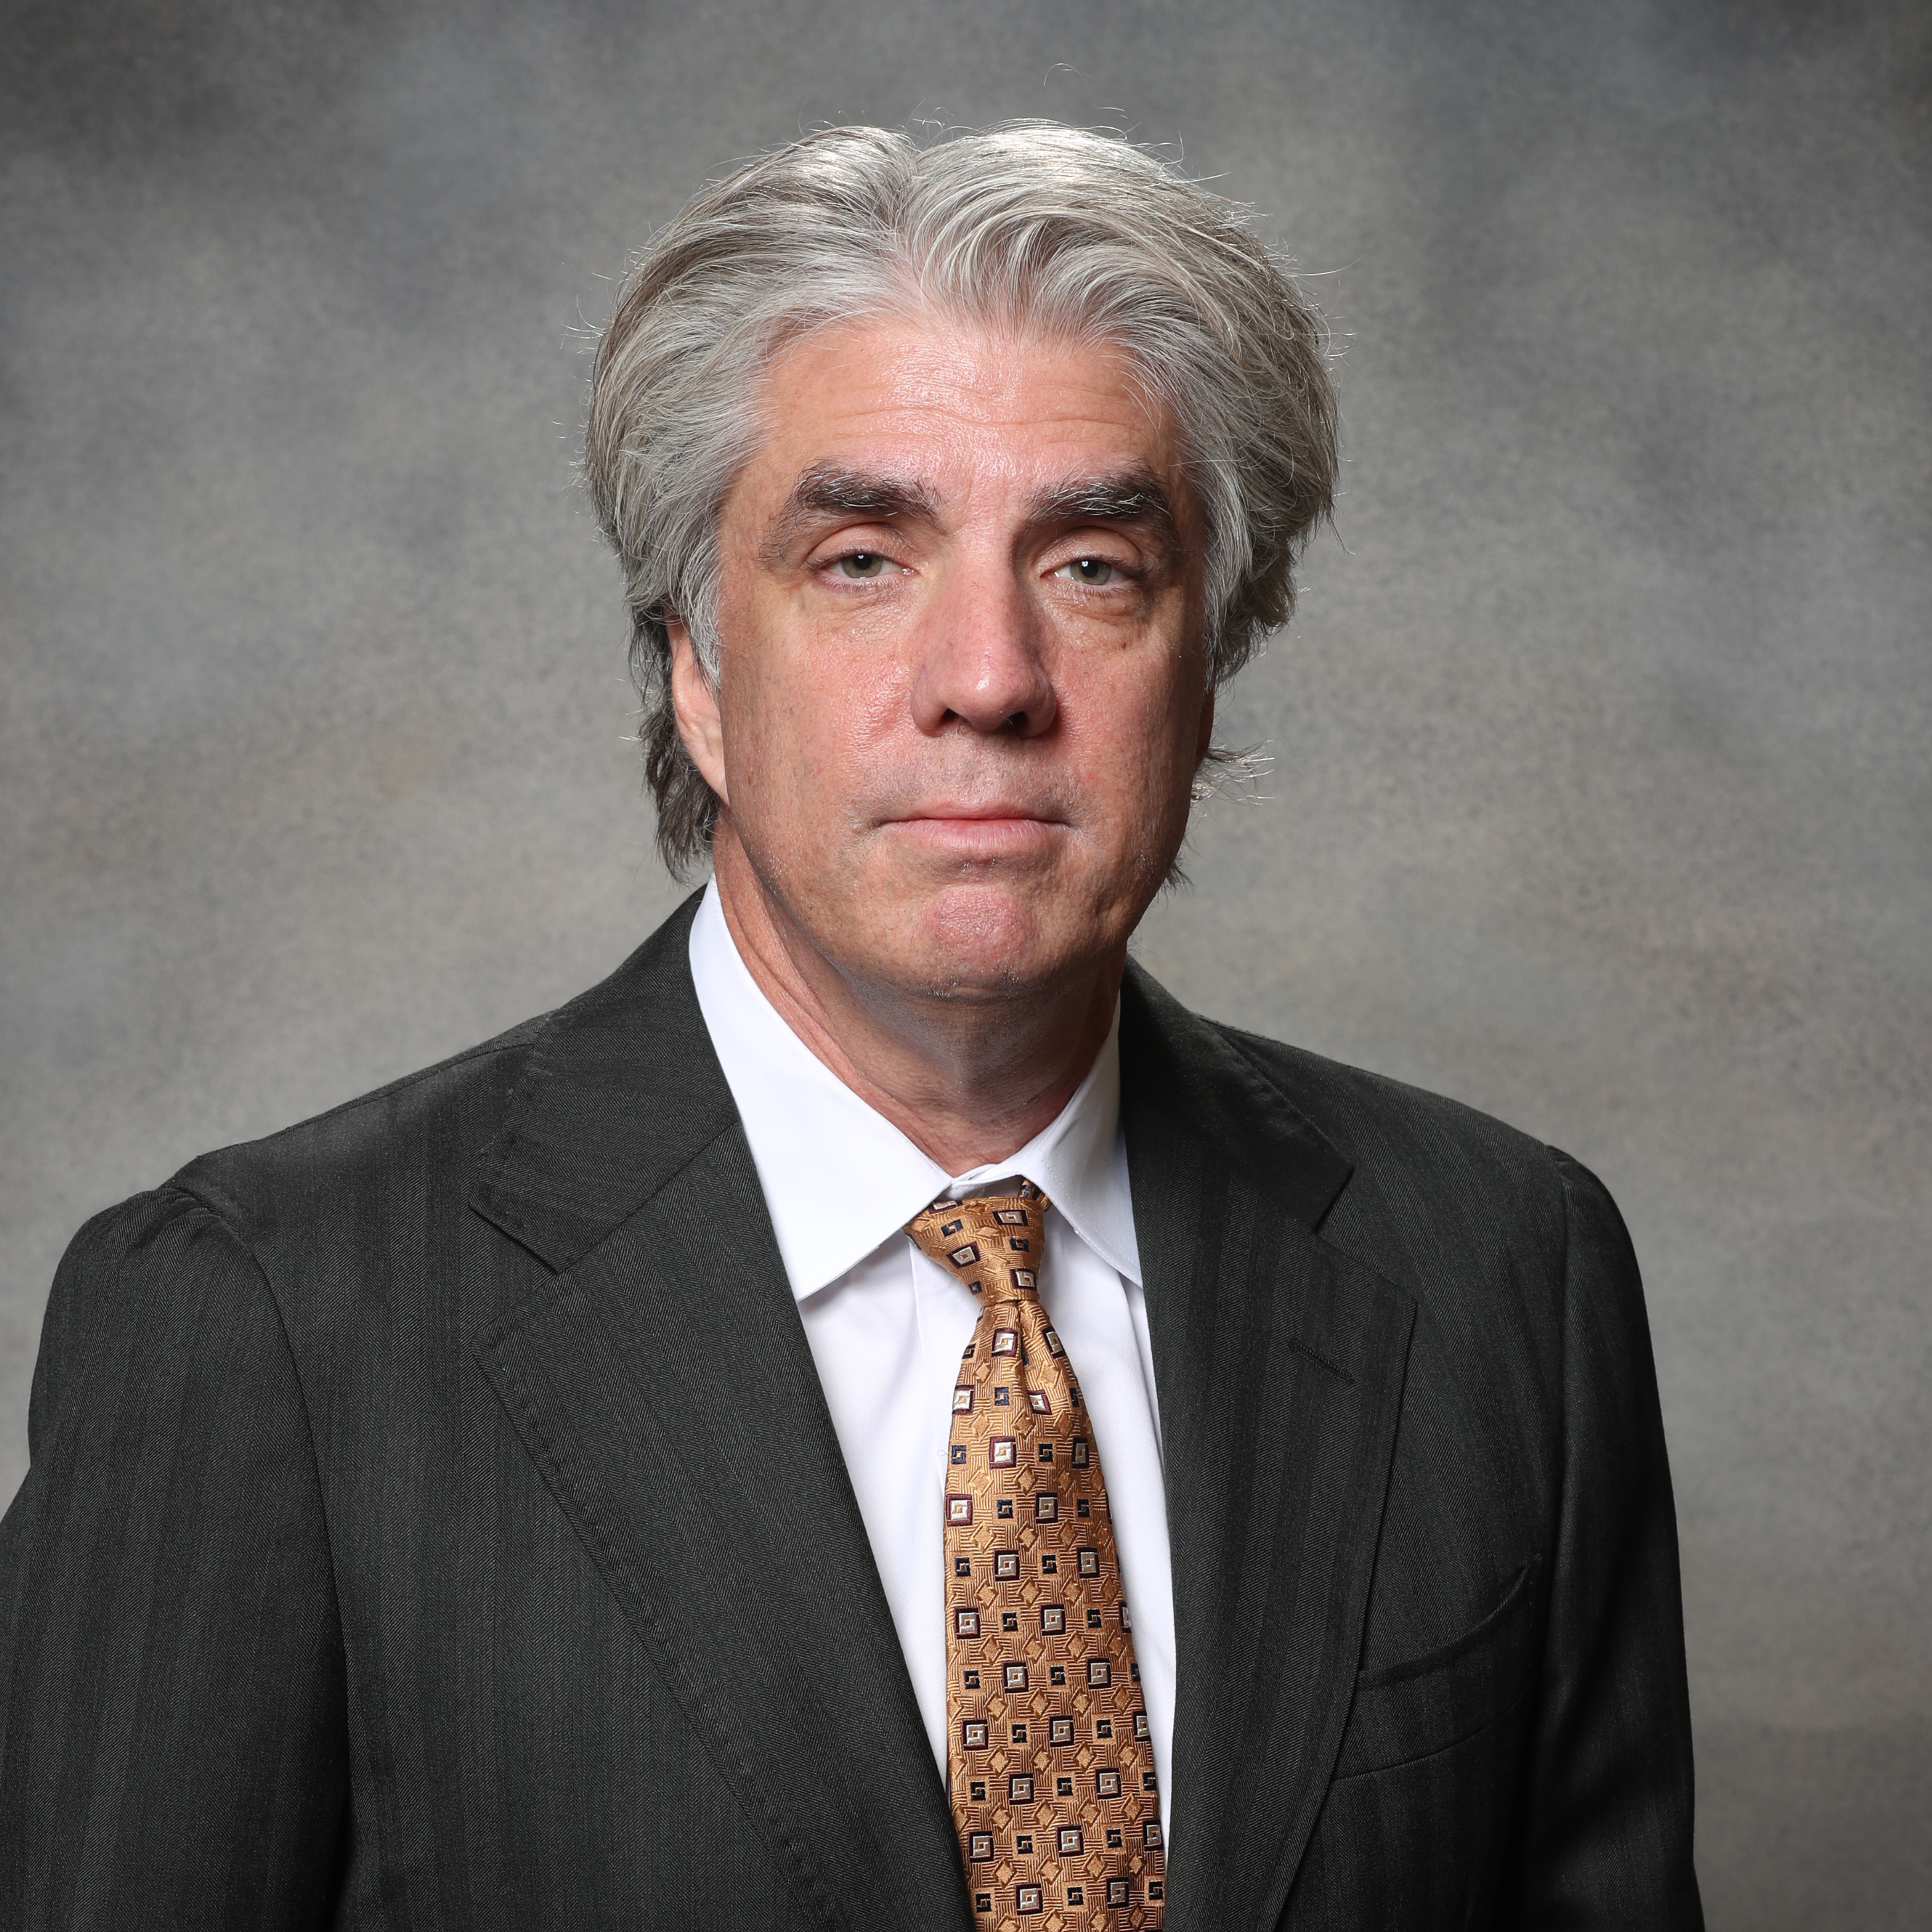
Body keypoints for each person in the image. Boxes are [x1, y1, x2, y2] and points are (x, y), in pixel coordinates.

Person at [0, 124, 1702, 1931]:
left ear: (1210, 664)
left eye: (1093, 567)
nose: (989, 679)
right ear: (697, 669)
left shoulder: (1503, 1274)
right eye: (864, 559)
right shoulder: (263, 1323)